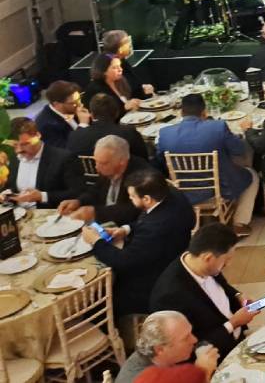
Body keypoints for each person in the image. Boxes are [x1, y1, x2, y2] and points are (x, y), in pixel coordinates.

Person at [82, 168, 194, 317]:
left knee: (95, 301)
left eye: (132, 196)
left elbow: (123, 261)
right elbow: (148, 218)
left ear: (147, 199)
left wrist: (96, 241)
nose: (130, 199)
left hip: (154, 284)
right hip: (173, 258)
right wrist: (125, 229)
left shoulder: (154, 228)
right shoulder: (172, 194)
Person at [156, 94, 258, 237]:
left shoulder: (165, 133)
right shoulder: (218, 127)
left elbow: (161, 161)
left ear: (181, 113)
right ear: (204, 112)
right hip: (219, 188)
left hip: (183, 190)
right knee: (252, 175)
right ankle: (239, 223)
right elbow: (239, 150)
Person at [149, 223, 254, 358]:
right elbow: (191, 345)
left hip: (239, 336)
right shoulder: (170, 295)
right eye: (226, 260)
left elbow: (223, 286)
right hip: (218, 354)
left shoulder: (202, 263)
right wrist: (233, 323)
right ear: (208, 258)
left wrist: (238, 295)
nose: (228, 264)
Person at [57, 134, 155, 225]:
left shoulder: (143, 176)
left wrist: (96, 212)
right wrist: (79, 202)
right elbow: (96, 191)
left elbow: (136, 209)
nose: (97, 167)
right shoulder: (108, 169)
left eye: (103, 163)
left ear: (122, 161)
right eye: (96, 161)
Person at [114, 311, 219, 383]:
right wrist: (202, 372)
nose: (194, 339)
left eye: (190, 333)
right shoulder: (146, 378)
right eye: (185, 338)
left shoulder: (158, 360)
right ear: (160, 349)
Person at [3, 117, 83, 209]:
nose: (19, 150)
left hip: (51, 213)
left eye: (25, 144)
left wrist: (42, 196)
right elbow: (10, 187)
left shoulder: (63, 158)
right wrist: (6, 194)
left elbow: (78, 193)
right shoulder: (14, 159)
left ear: (37, 135)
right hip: (18, 212)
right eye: (14, 145)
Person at [67, 93, 148, 159]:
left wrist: (83, 124)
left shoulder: (75, 136)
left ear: (92, 114)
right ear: (116, 113)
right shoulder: (129, 132)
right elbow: (144, 159)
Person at [100, 30, 153, 99]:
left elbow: (132, 84)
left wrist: (142, 88)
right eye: (127, 43)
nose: (130, 45)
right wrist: (142, 90)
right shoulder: (111, 66)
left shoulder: (121, 60)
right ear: (119, 47)